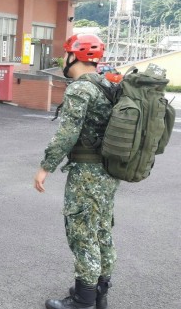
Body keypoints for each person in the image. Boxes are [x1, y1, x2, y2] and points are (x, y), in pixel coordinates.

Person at [34, 33, 119, 309]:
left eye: (66, 54)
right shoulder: (107, 84)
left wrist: (46, 167)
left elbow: (67, 133)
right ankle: (100, 292)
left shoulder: (80, 89)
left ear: (74, 56)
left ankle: (83, 300)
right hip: (108, 172)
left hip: (86, 173)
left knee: (82, 232)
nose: (64, 60)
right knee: (102, 230)